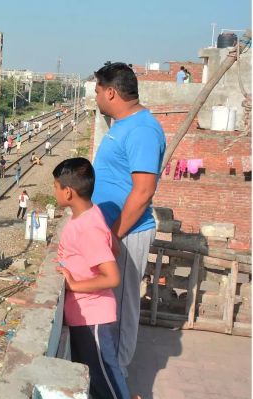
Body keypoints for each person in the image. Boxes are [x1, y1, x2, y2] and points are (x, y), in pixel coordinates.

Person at [52, 157, 142, 399]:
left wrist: (76, 283)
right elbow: (112, 248)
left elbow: (112, 276)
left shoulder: (86, 226)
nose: (54, 191)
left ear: (68, 192)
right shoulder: (90, 215)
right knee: (97, 377)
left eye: (55, 186)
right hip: (86, 315)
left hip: (92, 316)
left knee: (106, 379)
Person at [92, 62, 165, 378]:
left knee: (121, 311)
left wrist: (113, 235)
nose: (95, 96)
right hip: (111, 231)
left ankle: (118, 382)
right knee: (109, 306)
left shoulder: (142, 130)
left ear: (110, 92)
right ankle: (108, 371)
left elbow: (144, 190)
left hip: (126, 233)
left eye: (97, 90)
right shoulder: (120, 124)